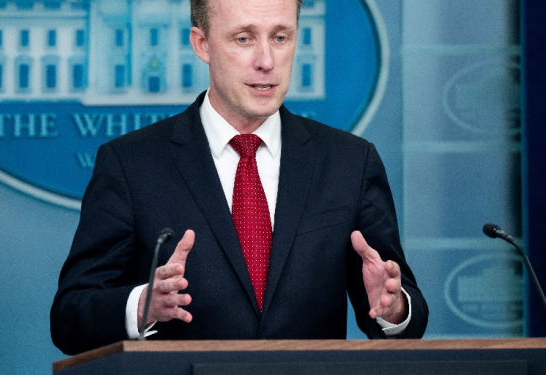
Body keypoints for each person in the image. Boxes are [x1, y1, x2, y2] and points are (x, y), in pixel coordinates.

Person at [51, 0, 428, 355]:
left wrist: (393, 309)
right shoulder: (131, 164)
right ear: (202, 44)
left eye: (280, 37)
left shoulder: (350, 162)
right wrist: (143, 305)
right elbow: (70, 317)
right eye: (244, 38)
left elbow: (403, 313)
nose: (266, 61)